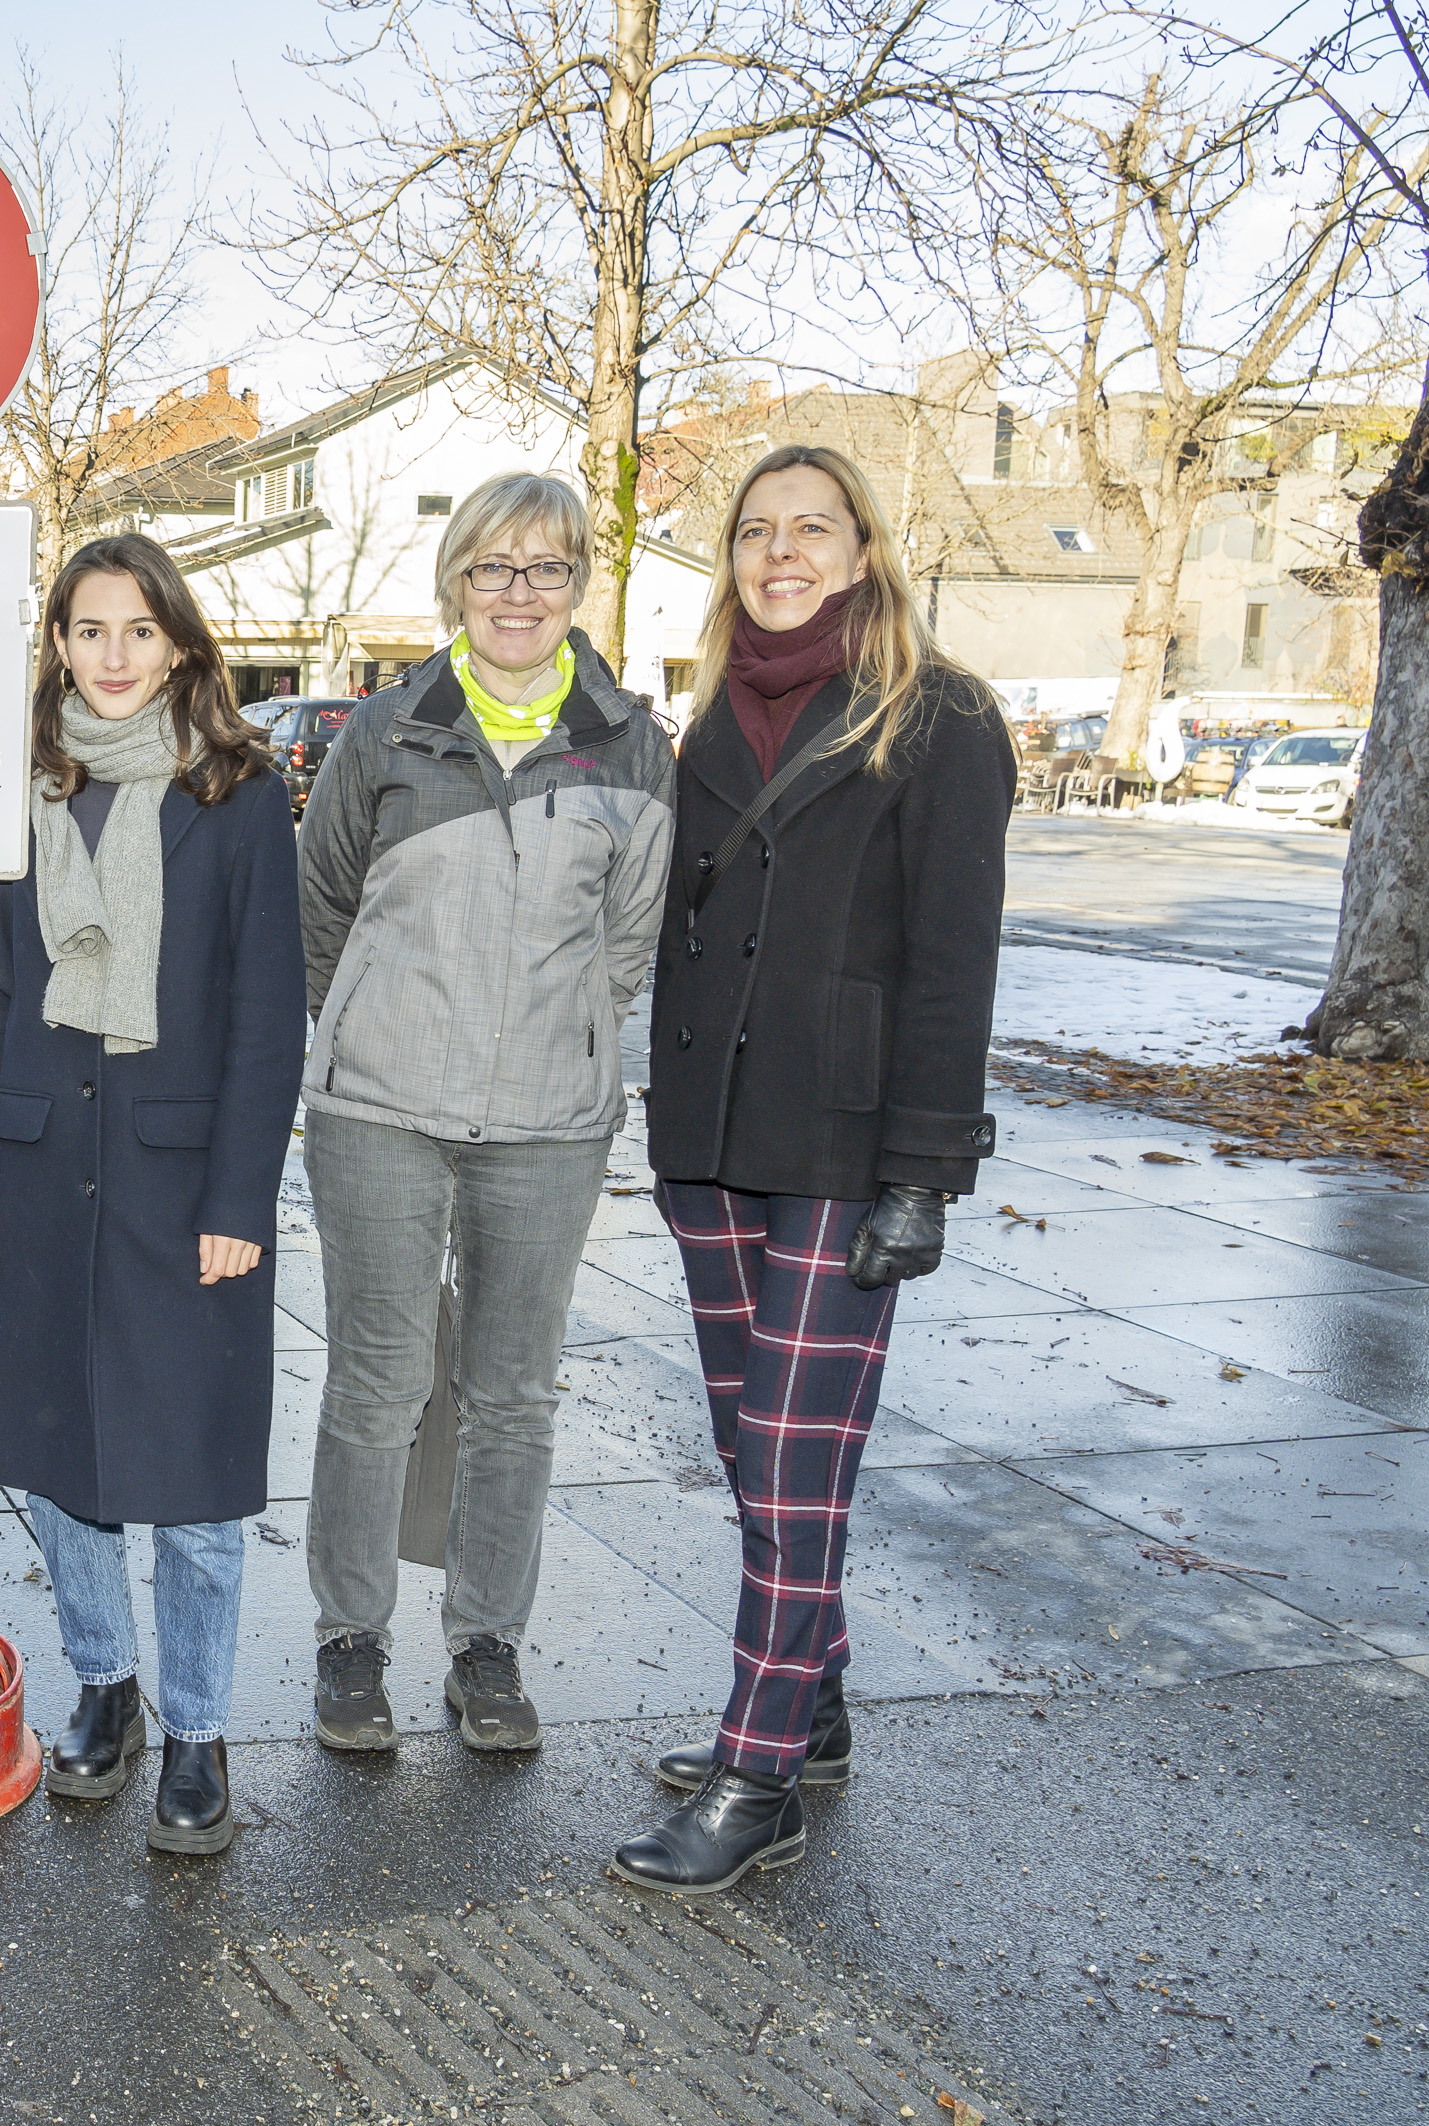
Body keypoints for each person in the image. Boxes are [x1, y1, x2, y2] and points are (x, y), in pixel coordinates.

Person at [614, 443, 1013, 1897]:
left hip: (846, 1150)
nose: (779, 552)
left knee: (792, 1470)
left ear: (862, 549)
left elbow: (953, 963)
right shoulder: (710, 712)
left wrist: (927, 1169)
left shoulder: (939, 714)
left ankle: (758, 1770)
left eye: (810, 529)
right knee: (748, 1448)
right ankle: (815, 1694)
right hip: (714, 1147)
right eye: (754, 532)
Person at [295, 472, 675, 1756]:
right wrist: (378, 1018)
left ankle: (486, 1642)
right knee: (380, 1380)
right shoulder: (386, 730)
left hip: (546, 1123)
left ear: (578, 585)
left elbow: (627, 946)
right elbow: (323, 906)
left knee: (514, 1390)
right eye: (493, 569)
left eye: (548, 569)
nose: (519, 594)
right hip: (381, 1110)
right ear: (454, 580)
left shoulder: (631, 742)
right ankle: (350, 1637)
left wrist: (550, 1034)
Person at [0, 534, 301, 1855]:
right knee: (57, 1460)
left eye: (138, 631)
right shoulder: (22, 788)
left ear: (181, 645)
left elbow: (267, 1018)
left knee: (197, 1482)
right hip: (41, 1169)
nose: (112, 655)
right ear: (58, 645)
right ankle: (106, 1681)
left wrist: (240, 1200)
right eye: (88, 630)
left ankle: (196, 1728)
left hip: (182, 1176)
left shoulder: (239, 795)